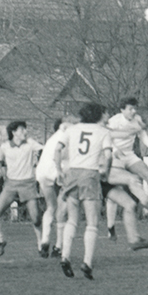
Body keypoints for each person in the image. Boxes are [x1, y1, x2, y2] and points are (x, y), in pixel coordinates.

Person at [55, 103, 113, 280]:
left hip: (72, 174)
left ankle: (65, 256)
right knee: (92, 221)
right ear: (98, 115)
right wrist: (106, 172)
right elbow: (108, 155)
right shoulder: (103, 132)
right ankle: (87, 262)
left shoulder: (72, 129)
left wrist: (59, 170)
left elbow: (58, 149)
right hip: (89, 175)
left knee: (72, 219)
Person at [0, 120, 43, 256]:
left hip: (28, 184)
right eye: (22, 129)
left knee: (36, 218)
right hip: (11, 184)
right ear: (14, 132)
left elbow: (44, 150)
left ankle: (41, 243)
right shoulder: (5, 146)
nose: (25, 132)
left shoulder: (30, 143)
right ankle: (0, 240)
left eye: (25, 129)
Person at [36, 117, 77, 259]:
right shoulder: (67, 135)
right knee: (62, 209)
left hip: (42, 172)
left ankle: (45, 239)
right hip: (56, 171)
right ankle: (58, 246)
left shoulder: (53, 137)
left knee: (51, 207)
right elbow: (60, 155)